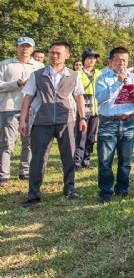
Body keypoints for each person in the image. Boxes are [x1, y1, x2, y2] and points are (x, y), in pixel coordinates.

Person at [18, 41, 87, 206]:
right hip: (41, 121)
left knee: (69, 156)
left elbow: (79, 97)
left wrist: (82, 117)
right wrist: (23, 119)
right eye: (52, 52)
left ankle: (70, 188)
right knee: (38, 159)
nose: (54, 55)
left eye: (58, 53)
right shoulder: (38, 75)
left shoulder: (74, 75)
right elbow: (27, 97)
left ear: (67, 55)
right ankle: (34, 195)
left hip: (67, 120)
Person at [94, 46, 134, 203]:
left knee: (125, 160)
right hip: (108, 123)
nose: (121, 64)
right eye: (118, 60)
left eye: (124, 60)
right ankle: (105, 192)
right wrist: (117, 83)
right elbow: (100, 98)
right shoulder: (103, 78)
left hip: (128, 122)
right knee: (105, 160)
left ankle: (122, 189)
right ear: (110, 62)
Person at [0, 37, 44, 185]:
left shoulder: (39, 66)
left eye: (28, 46)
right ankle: (3, 174)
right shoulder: (5, 64)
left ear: (32, 49)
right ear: (17, 47)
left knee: (30, 142)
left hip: (32, 108)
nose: (25, 49)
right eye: (22, 46)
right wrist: (16, 84)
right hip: (10, 107)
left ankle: (25, 171)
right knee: (7, 142)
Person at [74, 50, 102, 170]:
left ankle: (86, 161)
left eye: (94, 58)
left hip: (96, 109)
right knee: (81, 137)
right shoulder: (77, 74)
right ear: (84, 60)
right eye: (89, 58)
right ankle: (77, 162)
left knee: (91, 137)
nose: (92, 60)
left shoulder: (99, 73)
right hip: (83, 108)